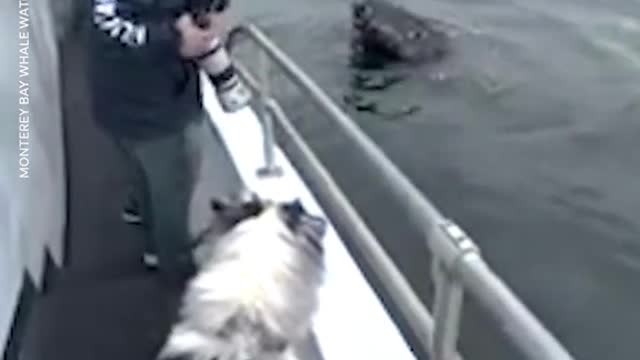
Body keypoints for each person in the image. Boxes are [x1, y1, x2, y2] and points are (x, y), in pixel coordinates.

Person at [87, 0, 245, 284]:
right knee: (173, 189)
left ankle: (149, 235)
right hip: (152, 112)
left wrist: (211, 10)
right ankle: (175, 267)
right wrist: (176, 40)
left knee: (146, 179)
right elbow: (109, 22)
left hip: (124, 106)